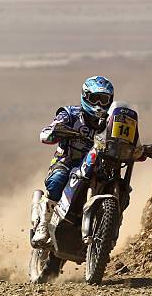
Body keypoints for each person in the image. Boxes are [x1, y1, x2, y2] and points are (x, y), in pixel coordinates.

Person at [32, 76, 114, 245]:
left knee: (115, 185)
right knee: (57, 179)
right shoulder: (70, 114)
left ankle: (107, 227)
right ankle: (43, 224)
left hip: (97, 166)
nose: (99, 104)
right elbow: (46, 132)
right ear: (85, 97)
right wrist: (56, 132)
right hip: (67, 160)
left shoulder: (110, 122)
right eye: (95, 98)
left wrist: (140, 148)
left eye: (103, 99)